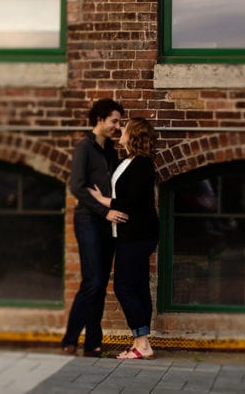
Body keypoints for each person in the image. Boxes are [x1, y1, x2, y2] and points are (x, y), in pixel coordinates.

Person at [61, 98, 128, 357]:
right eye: (114, 121)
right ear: (99, 120)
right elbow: (76, 186)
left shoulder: (111, 152)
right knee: (93, 280)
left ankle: (91, 343)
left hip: (107, 222)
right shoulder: (84, 149)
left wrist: (110, 207)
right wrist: (104, 210)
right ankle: (71, 338)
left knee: (100, 284)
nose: (117, 126)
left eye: (120, 122)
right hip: (89, 220)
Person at [88, 117, 159, 359]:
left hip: (139, 235)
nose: (121, 129)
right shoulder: (126, 161)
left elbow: (132, 202)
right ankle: (142, 343)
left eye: (125, 127)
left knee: (124, 286)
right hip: (128, 235)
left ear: (134, 134)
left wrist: (103, 202)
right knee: (137, 287)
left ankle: (142, 343)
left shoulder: (143, 164)